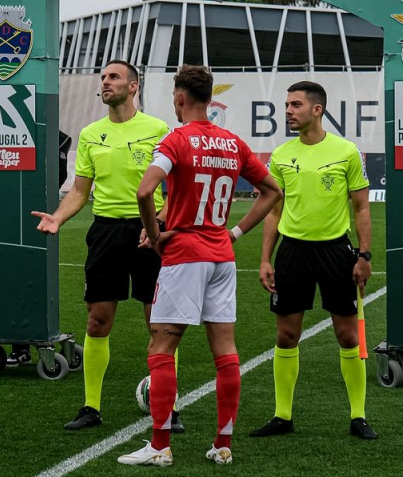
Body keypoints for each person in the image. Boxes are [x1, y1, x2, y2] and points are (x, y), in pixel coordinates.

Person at [117, 65, 283, 467]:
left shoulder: (176, 139)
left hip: (185, 257)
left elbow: (144, 190)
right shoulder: (232, 142)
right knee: (225, 351)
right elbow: (273, 191)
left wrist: (155, 234)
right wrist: (235, 233)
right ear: (208, 98)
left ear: (180, 98)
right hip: (221, 256)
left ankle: (159, 447)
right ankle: (223, 444)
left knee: (161, 347)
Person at [31, 60, 183, 431]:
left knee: (159, 324)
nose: (105, 83)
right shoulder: (90, 133)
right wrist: (58, 217)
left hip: (150, 233)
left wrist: (162, 224)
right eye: (103, 78)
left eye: (113, 77)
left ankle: (169, 407)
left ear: (134, 86)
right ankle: (91, 407)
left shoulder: (157, 129)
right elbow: (81, 190)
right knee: (98, 320)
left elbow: (176, 186)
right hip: (106, 232)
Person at [249, 81, 378, 441]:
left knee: (347, 335)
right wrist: (265, 258)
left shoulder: (347, 152)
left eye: (295, 105)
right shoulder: (281, 155)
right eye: (287, 105)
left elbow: (362, 207)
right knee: (287, 334)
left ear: (316, 110)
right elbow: (274, 211)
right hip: (292, 253)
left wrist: (364, 255)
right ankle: (282, 416)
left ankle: (358, 416)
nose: (287, 111)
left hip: (336, 252)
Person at [7, 130, 72, 366]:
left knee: (33, 276)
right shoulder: (4, 129)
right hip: (7, 209)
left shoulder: (55, 135)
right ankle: (18, 345)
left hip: (39, 214)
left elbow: (59, 175)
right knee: (10, 274)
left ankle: (32, 340)